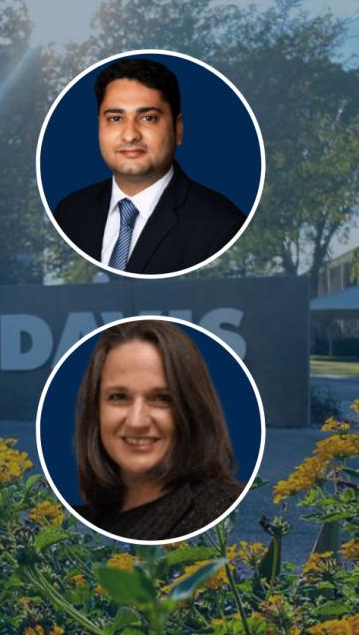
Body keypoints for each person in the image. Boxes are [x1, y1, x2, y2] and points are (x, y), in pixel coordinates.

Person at [53, 58, 246, 274]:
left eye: (148, 118)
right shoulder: (69, 212)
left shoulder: (220, 226)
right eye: (115, 119)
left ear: (178, 129)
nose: (130, 135)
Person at [73, 320, 242, 540]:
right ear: (96, 411)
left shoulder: (215, 513)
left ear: (192, 409)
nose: (137, 422)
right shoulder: (80, 522)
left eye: (162, 398)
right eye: (118, 397)